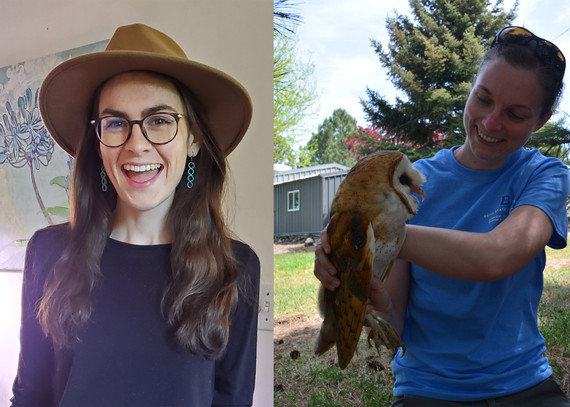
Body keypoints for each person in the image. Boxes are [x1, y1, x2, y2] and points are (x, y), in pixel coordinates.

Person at [315, 26, 570, 406]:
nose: (490, 123)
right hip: (428, 389)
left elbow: (499, 254)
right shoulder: (411, 184)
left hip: (521, 383)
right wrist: (371, 293)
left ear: (541, 119)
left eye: (516, 114)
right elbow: (396, 320)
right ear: (471, 88)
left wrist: (380, 233)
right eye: (482, 99)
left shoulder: (543, 175)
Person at [10, 23, 260, 407]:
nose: (136, 144)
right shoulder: (49, 252)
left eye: (159, 120)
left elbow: (233, 400)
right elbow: (30, 395)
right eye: (115, 123)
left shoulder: (236, 266)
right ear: (99, 142)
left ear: (193, 139)